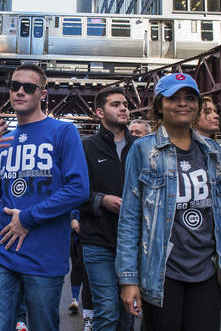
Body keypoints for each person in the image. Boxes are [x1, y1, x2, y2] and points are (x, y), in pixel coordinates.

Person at [116, 73, 221, 331]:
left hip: (207, 272)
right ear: (159, 105)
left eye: (190, 98)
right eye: (173, 98)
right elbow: (130, 217)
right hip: (162, 272)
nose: (182, 103)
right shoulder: (143, 150)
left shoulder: (213, 153)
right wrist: (128, 279)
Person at [0, 64, 90, 330]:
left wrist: (28, 218)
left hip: (44, 254)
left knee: (43, 325)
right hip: (1, 250)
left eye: (29, 87)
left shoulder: (64, 132)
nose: (19, 92)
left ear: (43, 93)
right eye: (14, 86)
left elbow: (78, 188)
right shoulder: (3, 139)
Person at [80, 87, 137, 330]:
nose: (124, 108)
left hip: (133, 245)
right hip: (98, 241)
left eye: (125, 104)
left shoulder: (141, 148)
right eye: (116, 104)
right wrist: (101, 200)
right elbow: (73, 192)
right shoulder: (86, 147)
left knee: (129, 311)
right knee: (107, 311)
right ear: (100, 112)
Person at [69, 211, 95, 331]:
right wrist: (73, 218)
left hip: (101, 234)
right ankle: (88, 318)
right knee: (82, 272)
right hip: (80, 236)